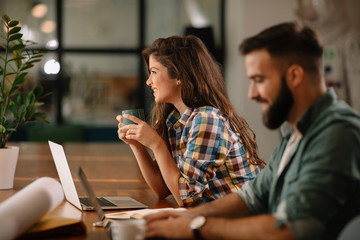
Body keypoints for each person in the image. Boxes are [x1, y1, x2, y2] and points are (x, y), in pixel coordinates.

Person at [144, 22, 360, 239]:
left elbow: (291, 229)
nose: (252, 94)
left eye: (259, 80)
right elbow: (251, 197)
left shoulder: (337, 133)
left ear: (295, 76)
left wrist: (196, 228)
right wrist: (187, 218)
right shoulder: (295, 134)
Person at [116, 35, 264, 207]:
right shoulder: (176, 121)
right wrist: (137, 144)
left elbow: (185, 197)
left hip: (242, 222)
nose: (149, 81)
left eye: (154, 72)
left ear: (179, 75)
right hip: (215, 216)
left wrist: (156, 143)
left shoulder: (207, 120)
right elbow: (163, 189)